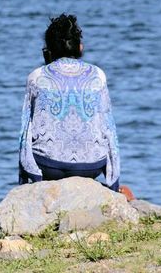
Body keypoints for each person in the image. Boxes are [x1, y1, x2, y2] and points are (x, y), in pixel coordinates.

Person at [18, 14, 120, 191]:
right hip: (92, 166)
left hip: (48, 165)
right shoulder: (98, 75)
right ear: (80, 47)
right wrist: (113, 183)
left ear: (48, 49)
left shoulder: (36, 77)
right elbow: (109, 130)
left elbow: (25, 132)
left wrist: (27, 180)